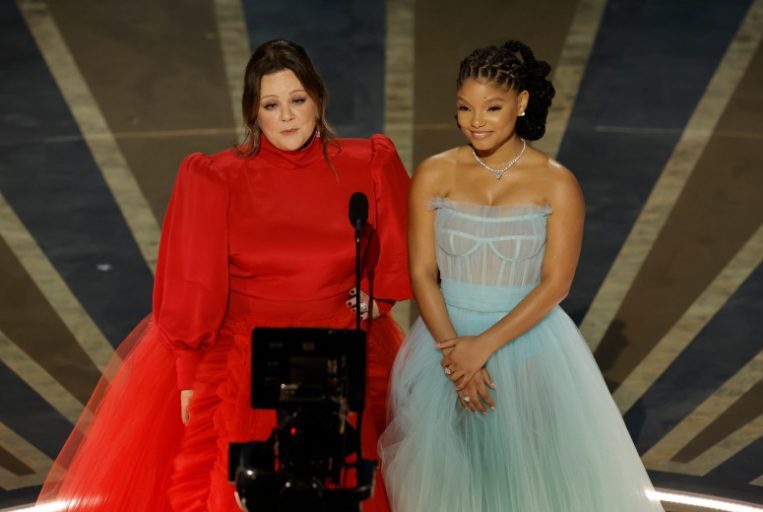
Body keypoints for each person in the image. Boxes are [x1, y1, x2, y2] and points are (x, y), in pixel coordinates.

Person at [37, 39, 411, 512]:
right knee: (244, 496)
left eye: (297, 100)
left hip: (336, 350)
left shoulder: (369, 164)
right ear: (253, 113)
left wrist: (383, 299)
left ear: (318, 98)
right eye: (271, 105)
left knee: (337, 492)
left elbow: (404, 241)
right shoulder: (216, 178)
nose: (288, 116)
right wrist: (189, 374)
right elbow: (191, 280)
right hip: (245, 358)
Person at [379, 40, 664, 512]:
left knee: (531, 476)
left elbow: (556, 284)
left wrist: (482, 348)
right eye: (465, 107)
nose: (476, 121)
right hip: (443, 345)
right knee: (452, 480)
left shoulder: (556, 183)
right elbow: (422, 271)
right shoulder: (433, 173)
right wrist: (455, 356)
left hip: (529, 345)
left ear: (522, 103)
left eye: (492, 107)